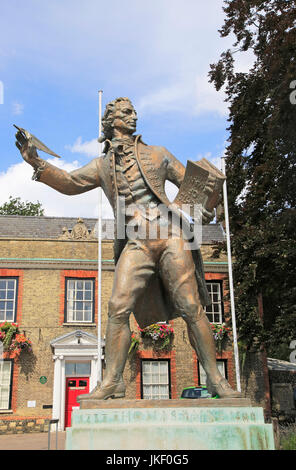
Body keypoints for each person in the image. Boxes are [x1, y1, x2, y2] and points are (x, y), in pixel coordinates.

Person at [15, 97, 240, 400]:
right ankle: (113, 381)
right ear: (111, 121)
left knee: (190, 306)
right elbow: (69, 182)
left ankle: (216, 380)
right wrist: (35, 160)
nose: (134, 116)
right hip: (136, 242)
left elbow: (194, 187)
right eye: (126, 112)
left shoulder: (157, 154)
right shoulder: (101, 166)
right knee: (117, 308)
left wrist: (208, 205)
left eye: (133, 112)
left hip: (171, 235)